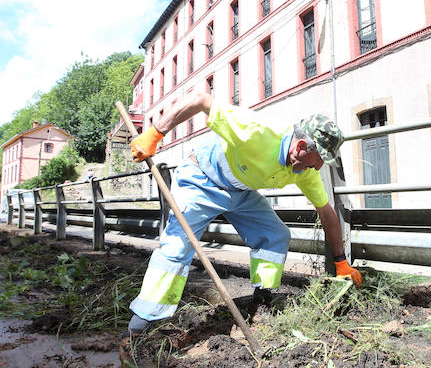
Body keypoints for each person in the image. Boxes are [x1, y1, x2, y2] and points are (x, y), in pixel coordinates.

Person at [125, 91, 362, 338]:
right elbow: (199, 99)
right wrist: (155, 133)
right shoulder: (255, 132)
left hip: (240, 191)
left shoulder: (304, 171)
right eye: (320, 158)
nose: (319, 167)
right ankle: (141, 323)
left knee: (275, 234)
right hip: (202, 179)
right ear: (301, 146)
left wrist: (341, 262)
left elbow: (327, 212)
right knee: (177, 246)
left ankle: (261, 299)